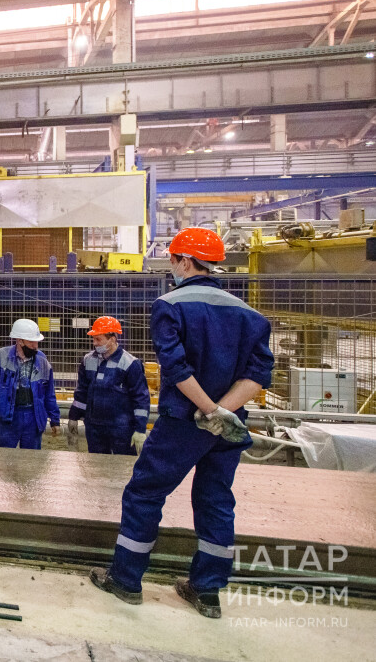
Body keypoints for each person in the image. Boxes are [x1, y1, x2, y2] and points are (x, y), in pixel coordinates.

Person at [90, 227, 273, 619]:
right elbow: (259, 373)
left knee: (145, 494)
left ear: (185, 262)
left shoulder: (170, 305)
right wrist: (223, 413)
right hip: (228, 427)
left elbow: (175, 367)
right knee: (216, 501)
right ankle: (207, 591)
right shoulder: (251, 315)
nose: (171, 267)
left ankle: (126, 579)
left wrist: (207, 410)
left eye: (172, 260)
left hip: (183, 423)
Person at [68, 316, 151, 455]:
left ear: (112, 339)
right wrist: (73, 417)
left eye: (98, 339)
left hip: (122, 429)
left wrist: (140, 429)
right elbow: (82, 392)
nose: (94, 343)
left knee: (122, 465)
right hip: (94, 428)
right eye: (93, 339)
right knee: (96, 465)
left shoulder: (130, 364)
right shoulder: (88, 361)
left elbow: (141, 398)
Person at [0, 319, 60, 449]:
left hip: (33, 417)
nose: (35, 346)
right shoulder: (2, 356)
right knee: (4, 456)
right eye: (31, 342)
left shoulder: (42, 361)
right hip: (8, 417)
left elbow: (49, 394)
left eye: (36, 341)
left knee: (32, 458)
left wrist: (55, 420)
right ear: (20, 341)